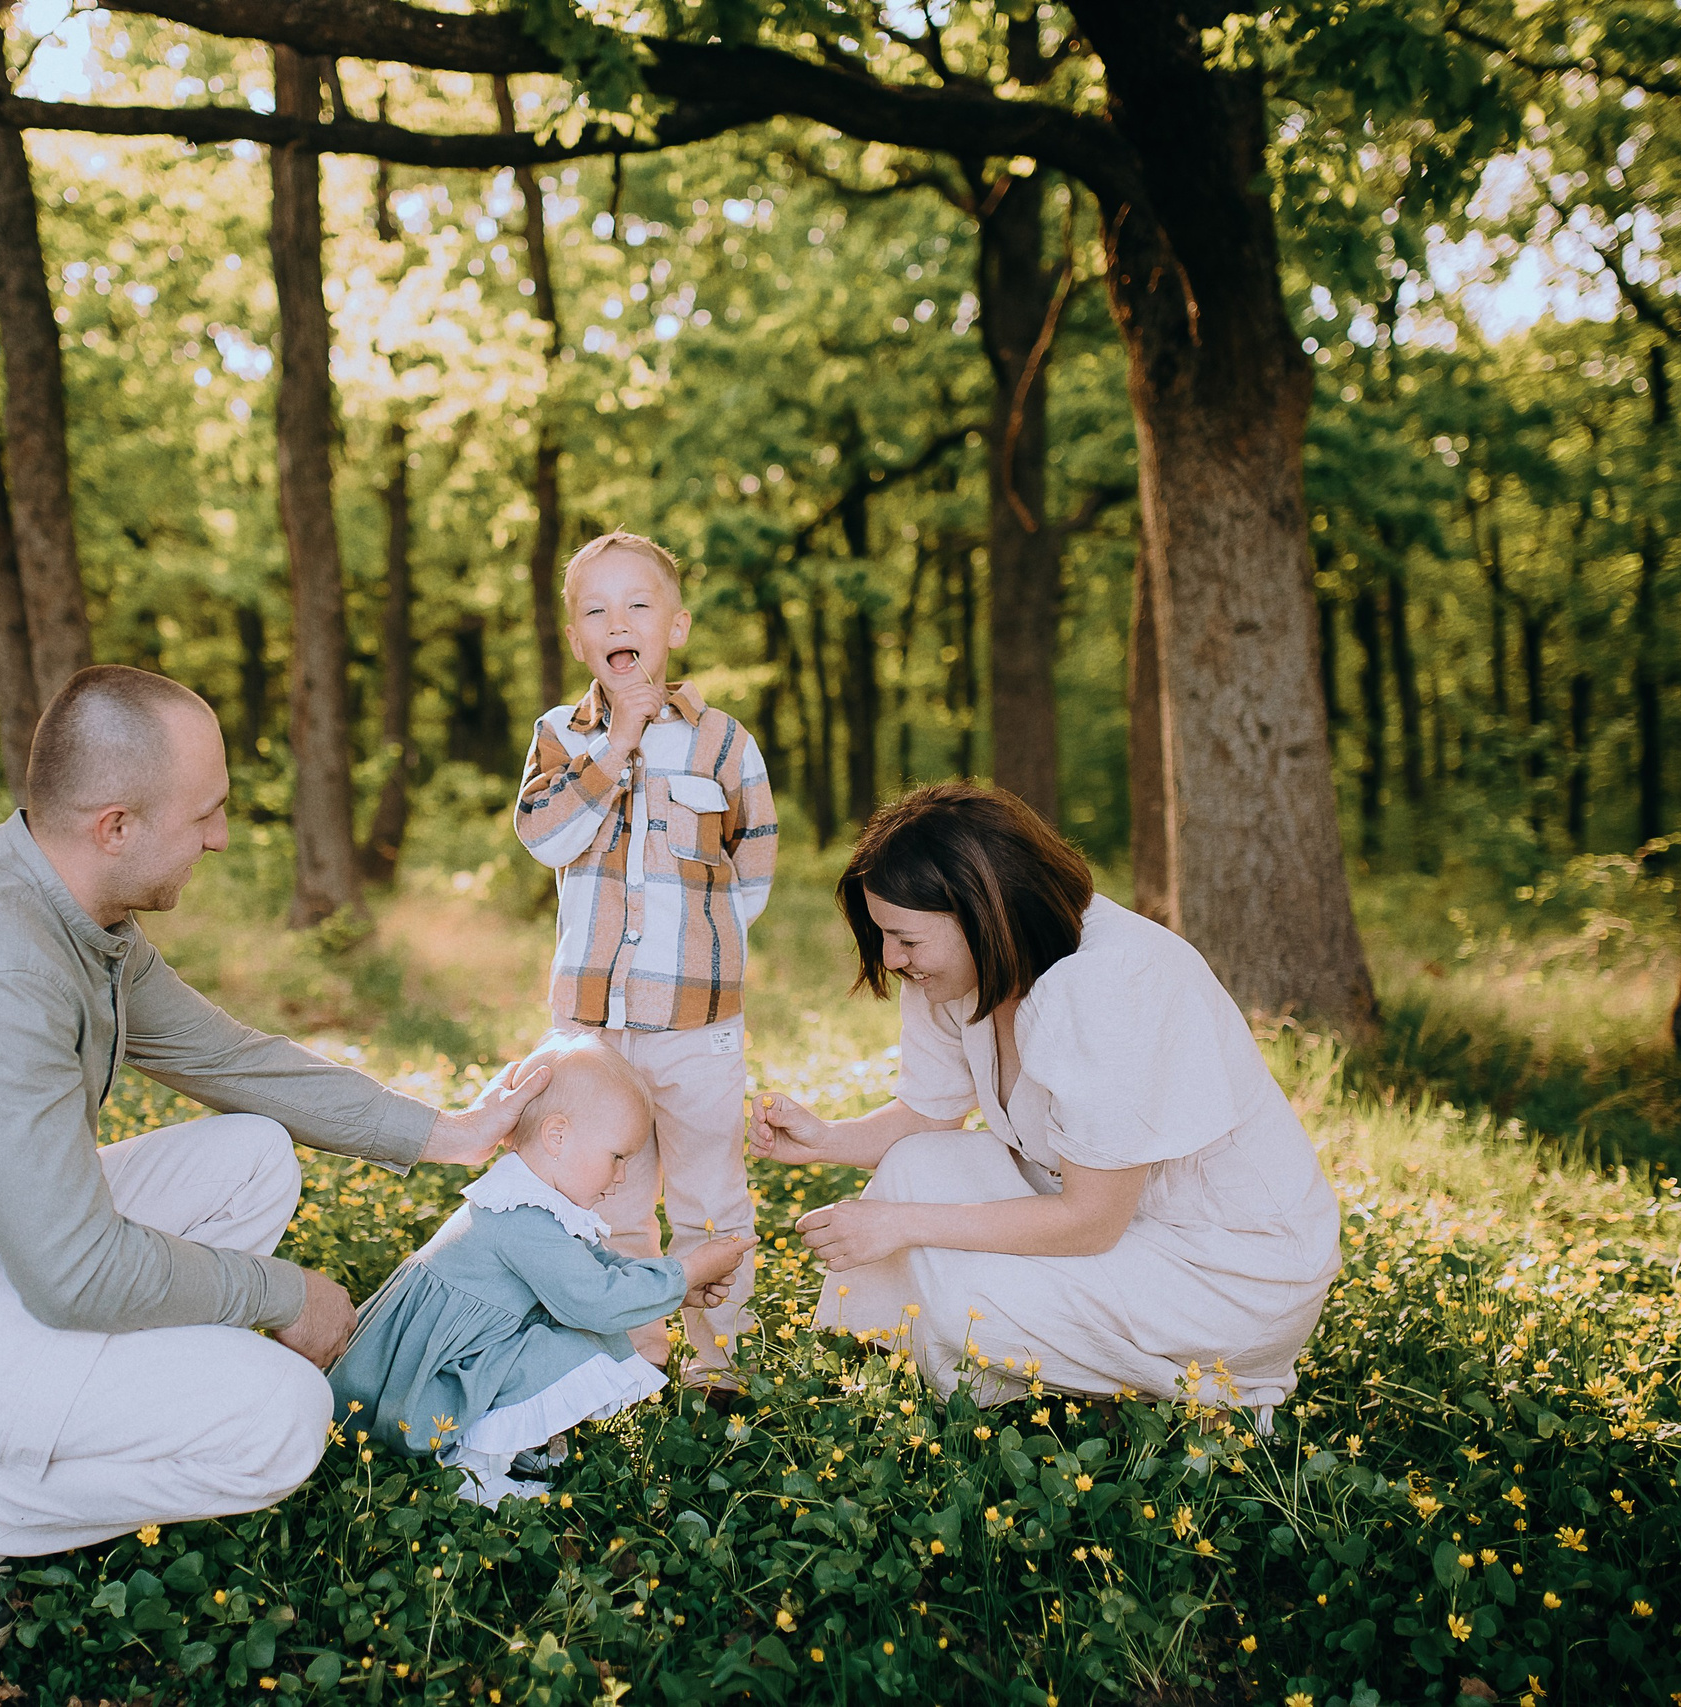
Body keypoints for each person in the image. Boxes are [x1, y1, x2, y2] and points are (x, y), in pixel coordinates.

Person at [0, 665, 543, 1646]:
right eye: (206, 815)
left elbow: (225, 1057)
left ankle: (28, 1416)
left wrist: (442, 1132)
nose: (222, 837)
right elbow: (72, 1274)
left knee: (252, 1157)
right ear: (115, 825)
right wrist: (279, 1295)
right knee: (277, 1417)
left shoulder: (67, 906)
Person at [752, 783, 1342, 1413]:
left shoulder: (1104, 984)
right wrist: (826, 1139)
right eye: (884, 936)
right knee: (915, 1167)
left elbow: (1091, 1221)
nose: (892, 959)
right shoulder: (961, 971)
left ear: (985, 913)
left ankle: (1172, 1395)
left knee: (960, 1300)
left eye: (908, 940)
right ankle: (864, 1376)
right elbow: (928, 1117)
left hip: (1225, 1270)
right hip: (1128, 1222)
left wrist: (900, 1226)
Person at [513, 531, 778, 1393]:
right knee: (609, 1194)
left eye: (637, 605)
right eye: (595, 610)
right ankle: (632, 1350)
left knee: (708, 1191)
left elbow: (752, 866)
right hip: (591, 1029)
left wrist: (701, 955)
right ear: (578, 640)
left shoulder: (724, 744)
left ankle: (716, 1356)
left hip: (697, 1024)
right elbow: (545, 836)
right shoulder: (560, 736)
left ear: (675, 628)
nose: (616, 620)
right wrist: (617, 737)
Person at [329, 1039, 757, 1505]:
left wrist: (675, 1287)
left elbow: (597, 1268)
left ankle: (507, 1439)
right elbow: (595, 1299)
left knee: (561, 1331)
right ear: (557, 1136)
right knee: (577, 1339)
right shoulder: (521, 1216)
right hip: (421, 1387)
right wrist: (685, 1270)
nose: (621, 1179)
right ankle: (472, 1467)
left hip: (451, 1355)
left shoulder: (532, 1201)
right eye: (617, 1158)